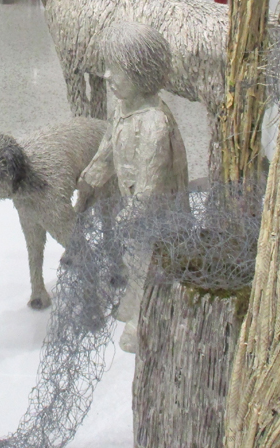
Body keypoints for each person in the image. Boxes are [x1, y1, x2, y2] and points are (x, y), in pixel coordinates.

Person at [77, 21, 189, 353]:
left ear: (142, 71)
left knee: (148, 258)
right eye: (107, 69)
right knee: (133, 255)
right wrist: (91, 175)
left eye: (116, 70)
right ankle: (134, 296)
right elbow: (109, 148)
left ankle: (144, 317)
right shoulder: (123, 109)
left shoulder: (154, 123)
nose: (107, 77)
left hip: (157, 212)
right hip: (134, 206)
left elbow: (152, 180)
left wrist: (135, 213)